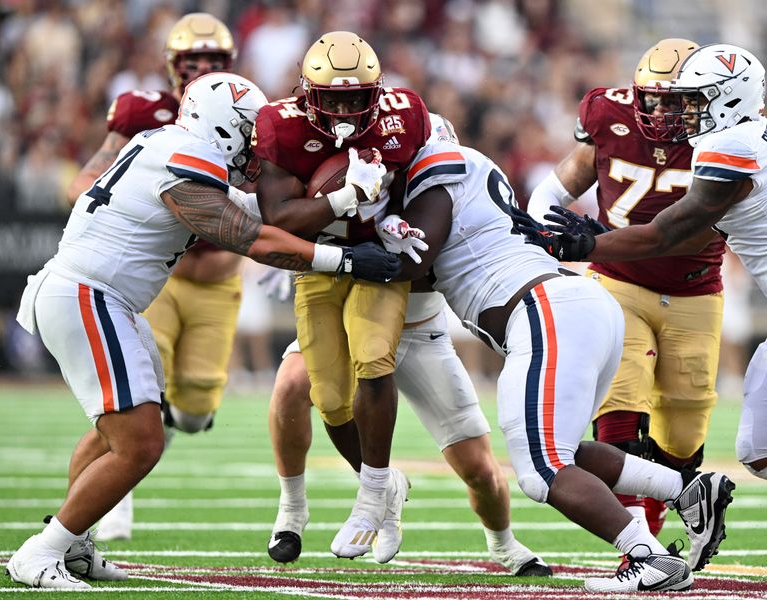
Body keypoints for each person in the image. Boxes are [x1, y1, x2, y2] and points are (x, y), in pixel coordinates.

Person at [6, 71, 399, 590]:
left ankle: (74, 546)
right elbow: (248, 238)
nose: (255, 145)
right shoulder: (189, 157)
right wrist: (345, 259)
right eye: (248, 131)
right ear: (223, 127)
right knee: (140, 442)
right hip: (89, 295)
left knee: (113, 433)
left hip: (98, 296)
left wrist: (343, 202)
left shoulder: (162, 144)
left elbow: (249, 211)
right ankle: (42, 551)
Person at [389, 135, 733, 592]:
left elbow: (411, 264)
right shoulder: (474, 177)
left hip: (542, 312)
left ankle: (646, 556)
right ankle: (685, 490)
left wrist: (341, 252)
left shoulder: (436, 179)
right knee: (563, 449)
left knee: (542, 470)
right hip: (582, 303)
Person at [265, 114, 551, 575]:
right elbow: (320, 213)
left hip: (421, 330)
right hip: (349, 316)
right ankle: (293, 510)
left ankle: (504, 544)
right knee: (292, 387)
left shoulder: (456, 199)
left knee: (477, 466)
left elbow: (427, 256)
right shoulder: (371, 173)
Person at [514, 42, 767, 483]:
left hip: (692, 286)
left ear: (727, 100)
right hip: (620, 283)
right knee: (628, 409)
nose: (679, 111)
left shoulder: (727, 145)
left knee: (716, 441)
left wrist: (586, 246)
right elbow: (562, 185)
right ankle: (640, 538)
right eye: (672, 98)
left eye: (691, 99)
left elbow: (668, 235)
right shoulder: (739, 134)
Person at [251, 31, 430, 560]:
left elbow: (436, 186)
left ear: (377, 90)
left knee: (374, 358)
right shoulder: (280, 125)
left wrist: (401, 224)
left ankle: (373, 493)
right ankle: (386, 487)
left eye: (357, 97)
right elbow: (279, 217)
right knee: (328, 399)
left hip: (381, 260)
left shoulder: (408, 115)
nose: (347, 109)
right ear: (308, 92)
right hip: (320, 265)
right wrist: (349, 196)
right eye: (334, 98)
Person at [67, 13, 245, 541]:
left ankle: (152, 434)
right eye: (195, 63)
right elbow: (88, 178)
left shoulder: (250, 112)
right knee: (138, 392)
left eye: (214, 63)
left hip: (219, 279)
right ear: (173, 66)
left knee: (191, 412)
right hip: (160, 276)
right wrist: (96, 207)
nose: (203, 72)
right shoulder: (146, 112)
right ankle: (112, 502)